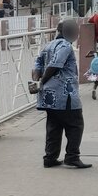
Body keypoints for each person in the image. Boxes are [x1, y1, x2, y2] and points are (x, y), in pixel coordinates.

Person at [32, 18, 92, 169]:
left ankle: (50, 157)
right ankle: (72, 156)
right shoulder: (65, 46)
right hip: (65, 94)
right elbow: (55, 64)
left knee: (54, 125)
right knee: (76, 124)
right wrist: (43, 80)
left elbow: (37, 64)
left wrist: (38, 80)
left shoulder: (48, 45)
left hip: (48, 96)